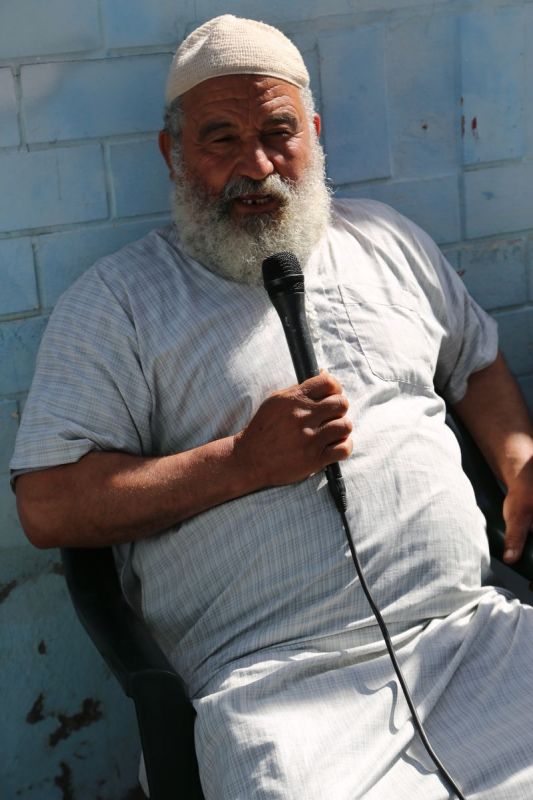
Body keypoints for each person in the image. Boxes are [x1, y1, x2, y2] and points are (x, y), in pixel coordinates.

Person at [10, 14, 533, 799]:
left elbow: (476, 364)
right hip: (277, 693)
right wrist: (240, 463)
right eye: (220, 138)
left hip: (469, 635)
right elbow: (47, 506)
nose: (255, 167)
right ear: (172, 153)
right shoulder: (118, 303)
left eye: (277, 133)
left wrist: (519, 463)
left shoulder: (388, 241)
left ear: (313, 137)